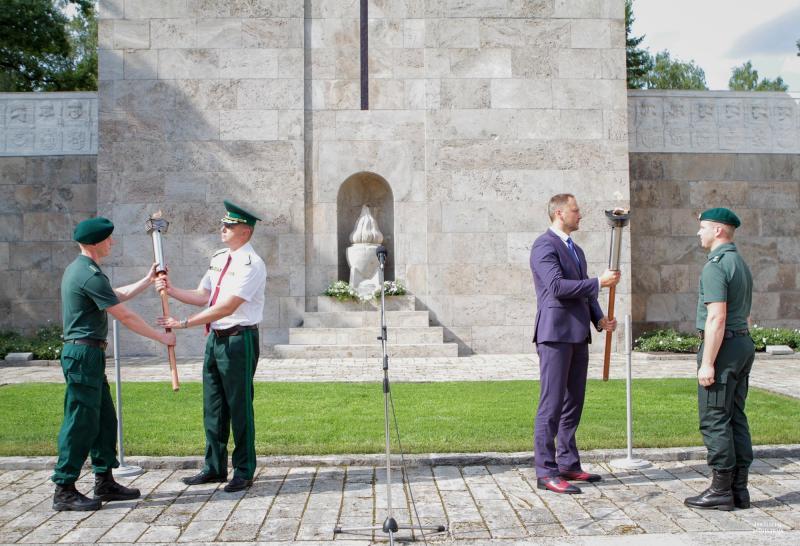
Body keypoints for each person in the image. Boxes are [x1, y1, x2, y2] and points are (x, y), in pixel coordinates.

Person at [53, 217, 176, 511]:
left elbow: (114, 296)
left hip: (89, 355)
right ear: (96, 243)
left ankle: (104, 480)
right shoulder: (88, 274)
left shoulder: (86, 270)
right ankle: (64, 488)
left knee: (104, 420)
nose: (113, 242)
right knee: (80, 422)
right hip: (83, 355)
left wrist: (147, 281)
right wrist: (161, 337)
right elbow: (125, 315)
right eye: (109, 239)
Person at [156, 200, 266, 493]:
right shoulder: (219, 257)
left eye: (229, 225)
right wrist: (170, 289)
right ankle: (214, 467)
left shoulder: (252, 264)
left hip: (239, 339)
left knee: (239, 407)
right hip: (215, 339)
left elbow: (227, 307)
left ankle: (243, 470)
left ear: (245, 231)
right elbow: (204, 295)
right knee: (214, 406)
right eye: (223, 224)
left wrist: (183, 323)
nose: (223, 229)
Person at [530, 194, 620, 494]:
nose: (580, 215)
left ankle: (568, 463)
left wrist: (599, 319)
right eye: (575, 210)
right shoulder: (544, 246)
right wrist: (599, 282)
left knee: (573, 403)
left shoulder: (577, 250)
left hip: (579, 334)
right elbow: (557, 287)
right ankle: (546, 471)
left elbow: (585, 294)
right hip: (555, 334)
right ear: (559, 213)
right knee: (552, 403)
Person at [685, 208, 754, 511]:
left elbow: (716, 317)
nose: (698, 233)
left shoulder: (715, 266)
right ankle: (740, 489)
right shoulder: (739, 262)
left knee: (714, 417)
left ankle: (721, 490)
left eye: (702, 228)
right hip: (742, 343)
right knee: (735, 415)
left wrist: (707, 362)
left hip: (723, 347)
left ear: (718, 230)